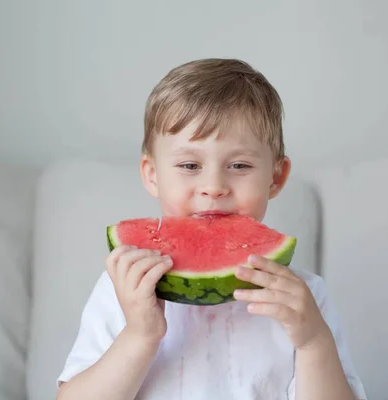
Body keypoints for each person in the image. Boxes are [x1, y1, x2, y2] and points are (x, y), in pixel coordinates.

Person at [55, 58, 367, 400]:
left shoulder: (304, 297)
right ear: (152, 174)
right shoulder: (126, 288)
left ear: (275, 177)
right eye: (190, 165)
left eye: (239, 165)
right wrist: (140, 334)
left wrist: (314, 343)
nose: (214, 186)